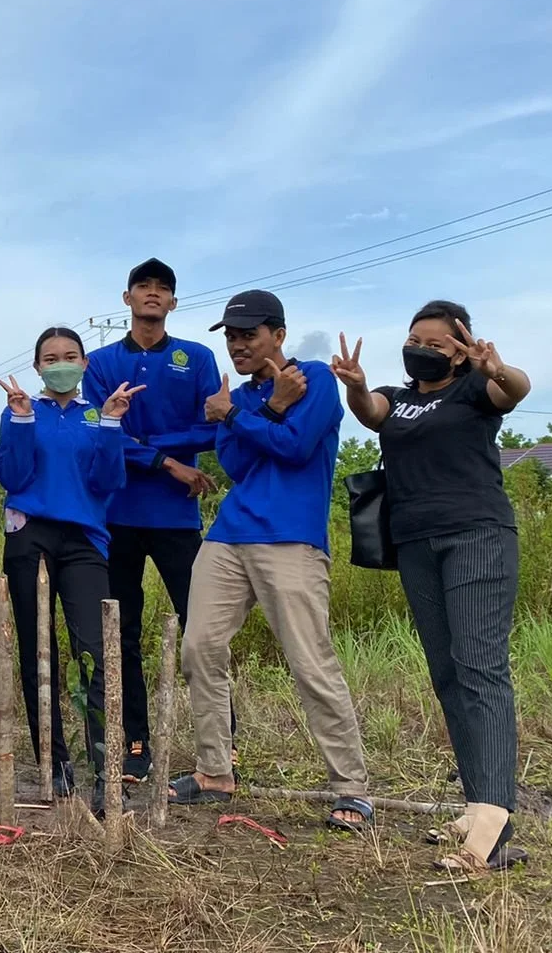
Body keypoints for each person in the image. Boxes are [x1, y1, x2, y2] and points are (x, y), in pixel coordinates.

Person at [332, 302, 531, 872]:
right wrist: (357, 385)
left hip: (477, 536)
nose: (420, 349)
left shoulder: (474, 390)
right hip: (416, 542)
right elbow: (371, 413)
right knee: (447, 672)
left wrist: (496, 368)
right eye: (414, 338)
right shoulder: (399, 398)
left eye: (436, 343)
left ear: (461, 349)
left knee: (480, 666)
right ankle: (477, 804)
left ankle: (494, 820)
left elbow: (515, 389)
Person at [168, 290, 372, 833]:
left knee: (310, 660)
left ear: (278, 335)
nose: (238, 346)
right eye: (231, 338)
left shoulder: (314, 379)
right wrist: (268, 408)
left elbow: (296, 448)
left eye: (249, 335)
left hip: (292, 538)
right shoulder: (244, 395)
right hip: (228, 535)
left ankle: (351, 787)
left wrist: (240, 414)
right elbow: (235, 462)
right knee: (199, 647)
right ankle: (215, 771)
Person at [84, 257, 224, 784]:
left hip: (177, 516)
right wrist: (166, 461)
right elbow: (101, 431)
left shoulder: (197, 357)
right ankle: (133, 743)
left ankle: (221, 748)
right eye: (143, 286)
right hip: (116, 514)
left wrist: (147, 444)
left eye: (162, 288)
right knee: (121, 632)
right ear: (127, 298)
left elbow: (213, 428)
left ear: (173, 302)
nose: (152, 293)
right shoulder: (100, 363)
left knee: (201, 628)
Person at [0, 327, 142, 816]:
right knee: (37, 650)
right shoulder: (20, 410)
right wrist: (21, 420)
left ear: (84, 364)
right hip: (29, 535)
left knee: (95, 651)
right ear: (38, 366)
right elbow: (12, 477)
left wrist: (113, 424)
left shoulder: (96, 415)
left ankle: (105, 771)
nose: (60, 363)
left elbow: (109, 481)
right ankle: (54, 763)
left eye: (70, 355)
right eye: (50, 357)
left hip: (84, 539)